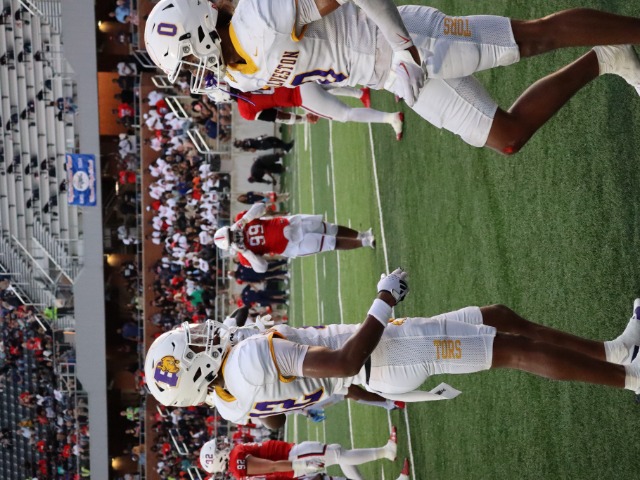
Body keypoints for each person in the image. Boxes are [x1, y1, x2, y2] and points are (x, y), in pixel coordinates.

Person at [145, 268, 640, 429]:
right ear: (196, 368)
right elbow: (344, 361)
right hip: (384, 354)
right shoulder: (249, 360)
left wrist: (296, 386)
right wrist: (384, 298)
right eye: (194, 343)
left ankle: (616, 352)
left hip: (381, 364)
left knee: (498, 318)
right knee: (510, 349)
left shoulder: (229, 404)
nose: (201, 333)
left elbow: (273, 418)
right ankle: (631, 379)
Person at [145, 0, 640, 155]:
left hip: (410, 41)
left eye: (187, 61)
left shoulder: (258, 21)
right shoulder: (235, 75)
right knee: (507, 137)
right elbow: (315, 64)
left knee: (533, 38)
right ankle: (607, 58)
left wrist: (403, 48)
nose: (194, 76)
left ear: (202, 30)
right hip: (392, 74)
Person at [212, 202, 375, 273]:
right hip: (291, 245)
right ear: (230, 246)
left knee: (330, 228)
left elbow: (261, 207)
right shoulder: (243, 257)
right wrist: (246, 251)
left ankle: (362, 234)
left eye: (231, 233)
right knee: (331, 242)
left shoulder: (241, 220)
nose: (235, 236)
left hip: (290, 223)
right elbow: (262, 267)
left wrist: (244, 219)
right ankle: (365, 242)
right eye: (231, 239)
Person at [222, 82, 404, 140]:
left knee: (345, 114)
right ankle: (396, 83)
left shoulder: (245, 109)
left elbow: (279, 116)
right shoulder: (244, 75)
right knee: (346, 74)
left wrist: (303, 119)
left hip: (300, 95)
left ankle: (391, 118)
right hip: (299, 74)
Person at [198, 431, 410, 480]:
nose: (223, 444)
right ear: (218, 458)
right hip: (292, 460)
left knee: (337, 452)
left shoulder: (236, 464)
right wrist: (302, 465)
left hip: (291, 461)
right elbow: (271, 467)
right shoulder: (236, 461)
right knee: (337, 453)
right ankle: (386, 451)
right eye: (219, 447)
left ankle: (386, 452)